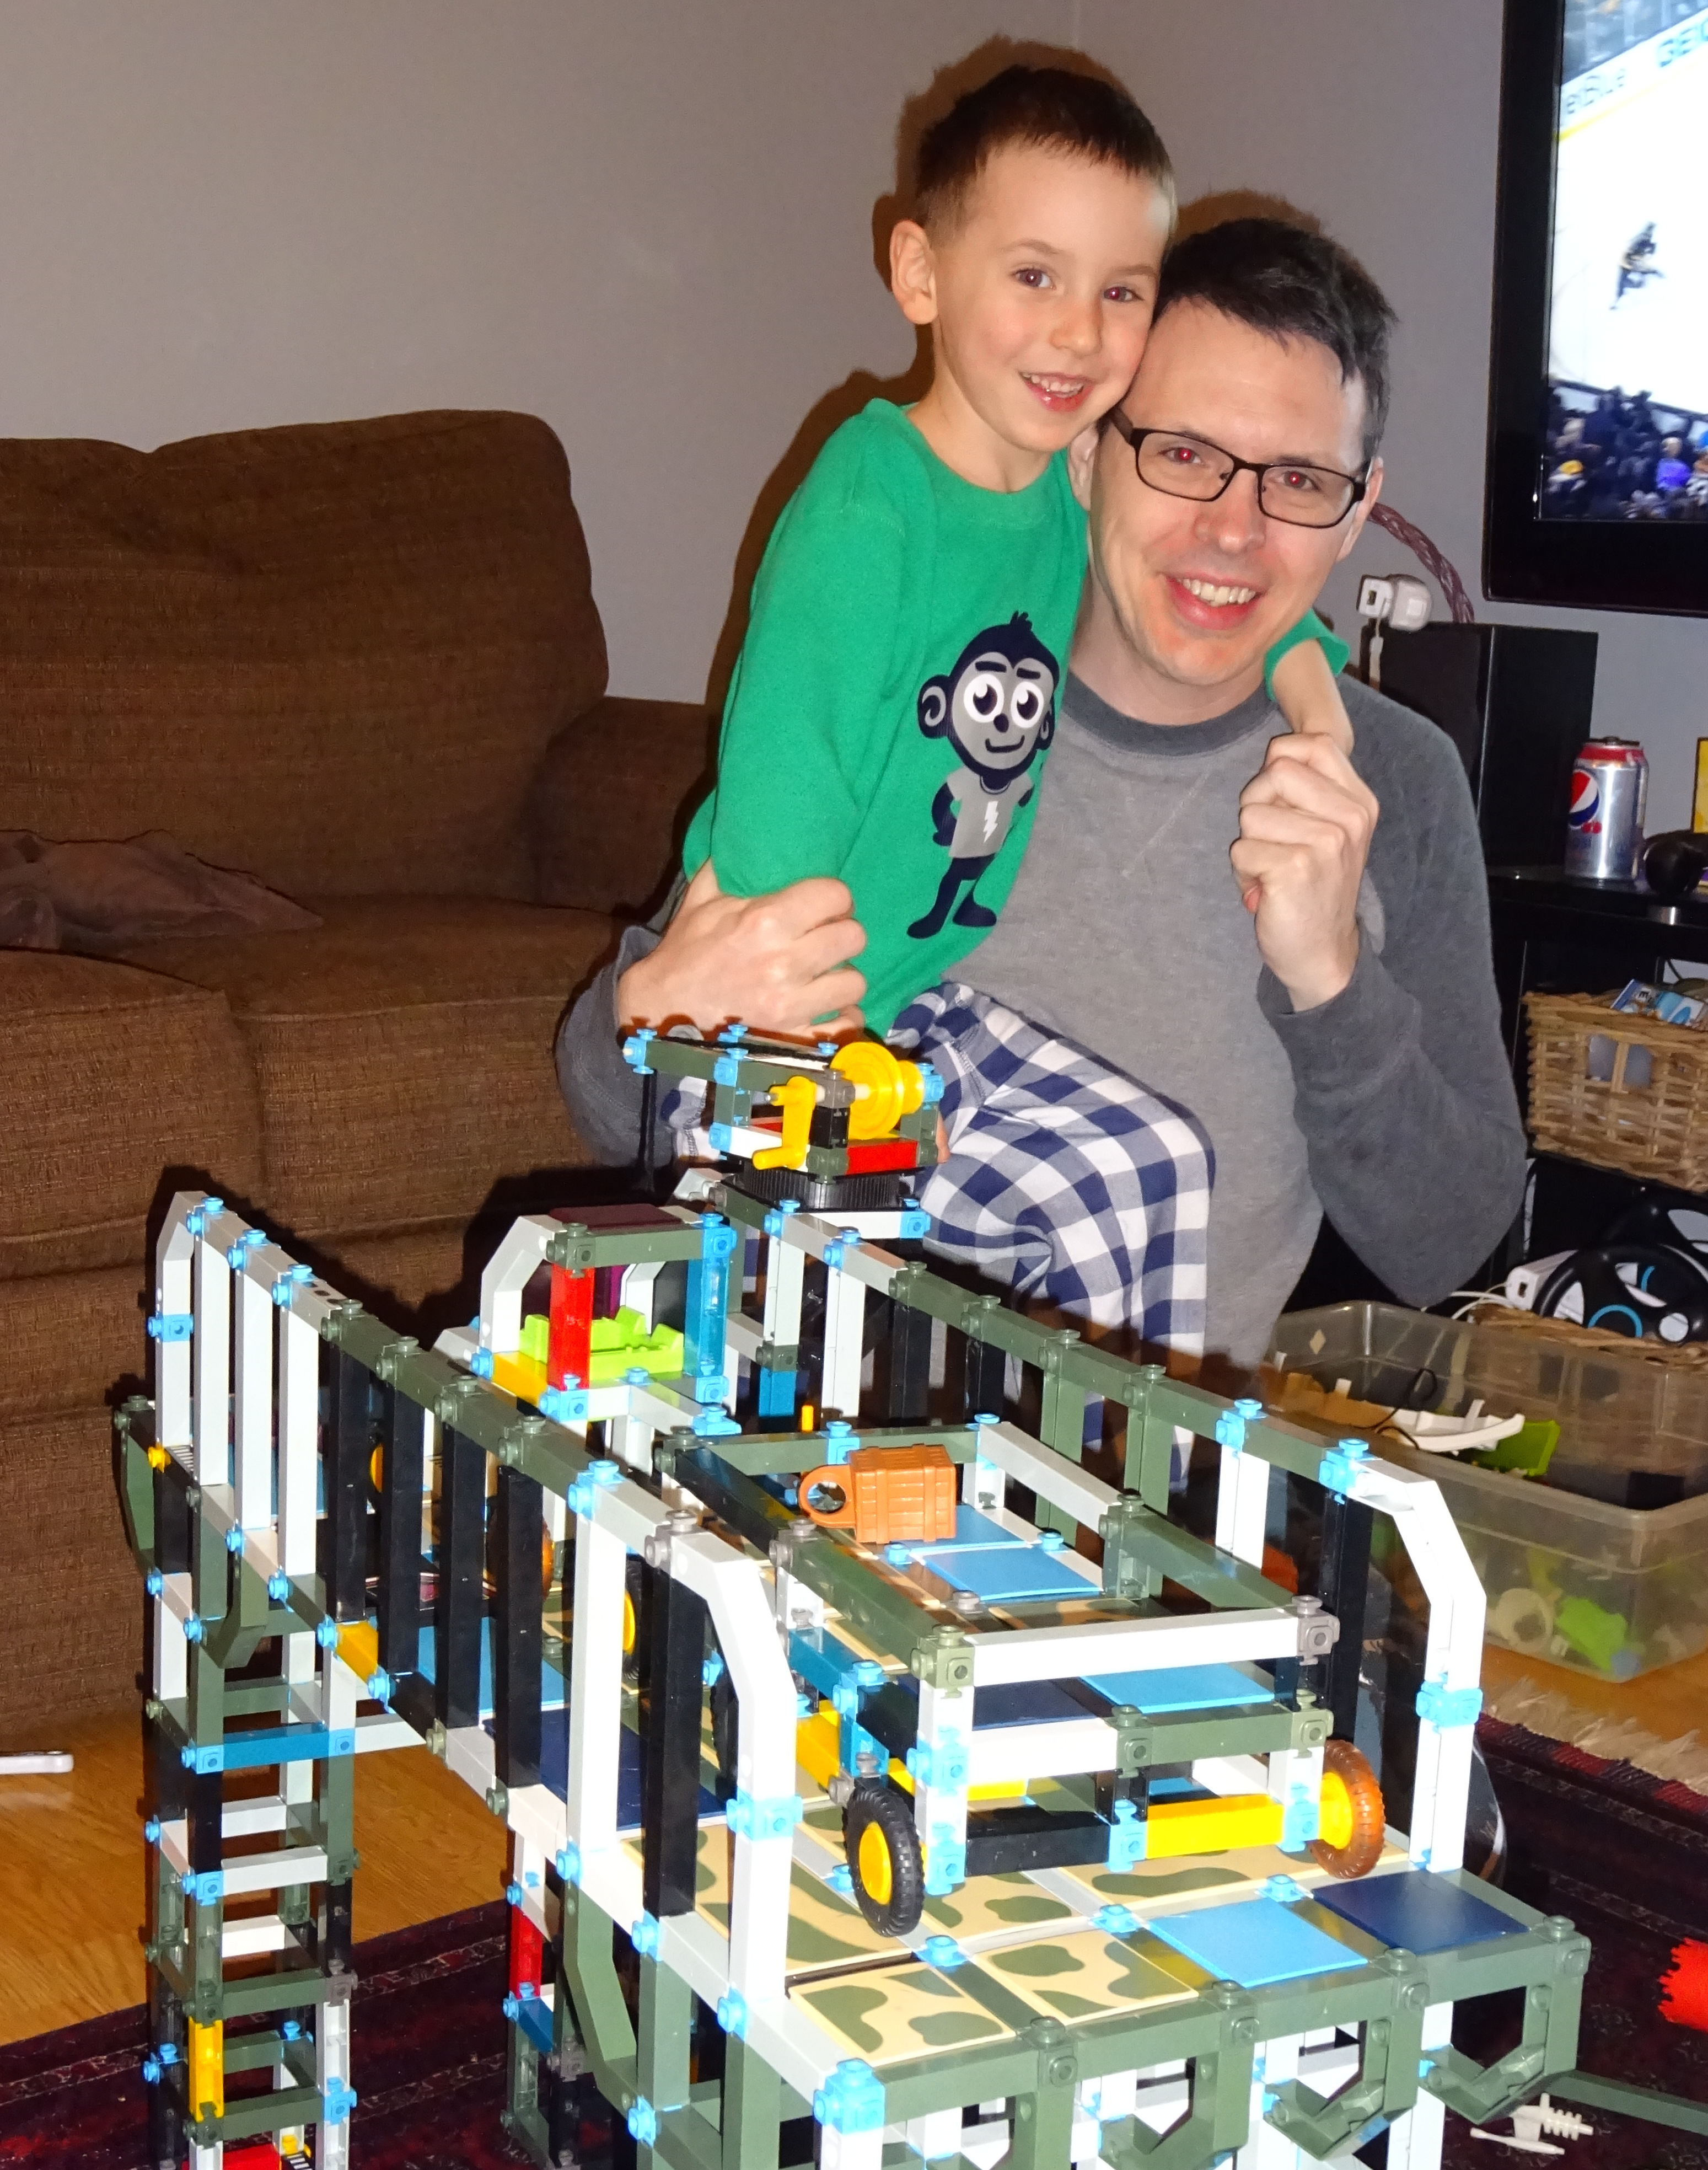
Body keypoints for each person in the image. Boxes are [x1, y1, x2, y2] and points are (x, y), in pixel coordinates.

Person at [560, 217, 1527, 1367]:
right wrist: (653, 1013)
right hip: (812, 1407)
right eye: (1182, 454)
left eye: (1299, 481)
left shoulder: (1394, 781)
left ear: (1358, 508)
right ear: (1083, 455)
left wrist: (1329, 981)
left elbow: (1449, 1244)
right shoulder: (916, 678)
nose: (1233, 530)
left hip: (1131, 1460)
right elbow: (605, 1101)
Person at [642, 65, 1348, 1357]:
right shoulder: (870, 505)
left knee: (1152, 1161)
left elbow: (1283, 625)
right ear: (920, 276)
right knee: (855, 1315)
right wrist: (810, 1040)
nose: (1077, 334)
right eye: (1034, 276)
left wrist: (1322, 723)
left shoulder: (1063, 503)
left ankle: (1122, 1470)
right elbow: (783, 778)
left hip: (920, 999)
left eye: (1120, 292)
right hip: (784, 1018)